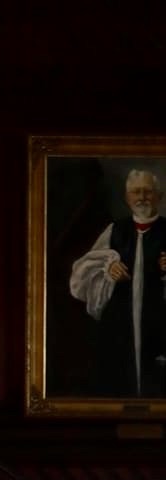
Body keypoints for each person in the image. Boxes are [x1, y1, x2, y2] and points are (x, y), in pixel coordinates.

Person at [69, 168, 166, 397]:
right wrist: (107, 269)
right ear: (127, 198)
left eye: (148, 192)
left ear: (159, 197)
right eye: (136, 192)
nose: (142, 197)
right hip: (120, 324)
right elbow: (83, 274)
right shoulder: (115, 231)